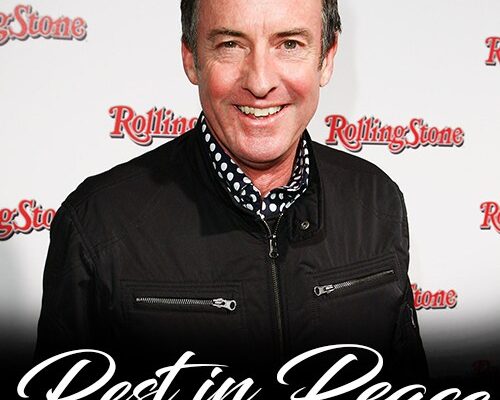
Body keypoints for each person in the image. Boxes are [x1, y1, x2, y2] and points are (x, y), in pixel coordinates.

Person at [35, 0, 427, 395]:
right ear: (191, 59)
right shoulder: (98, 225)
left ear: (326, 58)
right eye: (230, 45)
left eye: (289, 44)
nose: (260, 82)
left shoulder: (376, 203)